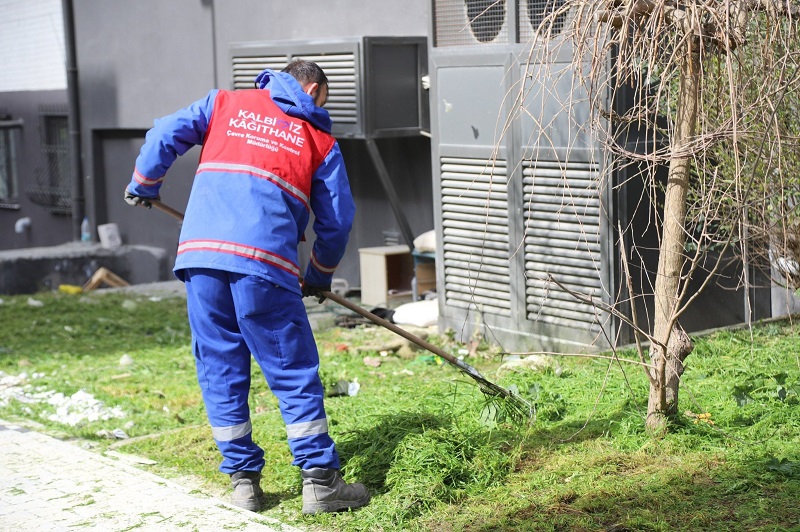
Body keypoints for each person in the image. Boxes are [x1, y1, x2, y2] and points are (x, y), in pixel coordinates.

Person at [123, 60, 369, 515]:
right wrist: (318, 274)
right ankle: (320, 481)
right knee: (291, 369)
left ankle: (243, 484)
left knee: (220, 367)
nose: (321, 109)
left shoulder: (224, 103)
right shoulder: (319, 141)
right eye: (323, 100)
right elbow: (337, 220)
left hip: (202, 258)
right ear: (312, 90)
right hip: (265, 264)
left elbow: (164, 133)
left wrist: (145, 182)